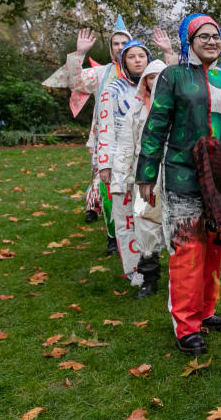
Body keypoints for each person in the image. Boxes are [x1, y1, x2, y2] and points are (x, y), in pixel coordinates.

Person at [136, 14, 221, 355]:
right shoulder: (173, 76)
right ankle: (186, 325)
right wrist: (145, 173)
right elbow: (156, 124)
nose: (211, 41)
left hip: (218, 179)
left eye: (216, 36)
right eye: (203, 36)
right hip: (181, 175)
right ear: (188, 42)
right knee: (187, 251)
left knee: (214, 247)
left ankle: (206, 311)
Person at [42, 16, 175, 251]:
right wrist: (79, 54)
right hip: (106, 142)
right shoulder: (101, 73)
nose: (121, 47)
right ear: (113, 48)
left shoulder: (147, 76)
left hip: (143, 146)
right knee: (109, 191)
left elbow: (171, 80)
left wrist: (168, 52)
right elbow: (76, 81)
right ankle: (115, 235)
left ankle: (147, 243)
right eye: (116, 43)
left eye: (126, 43)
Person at [112, 59, 169, 299]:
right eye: (151, 76)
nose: (155, 81)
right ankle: (149, 277)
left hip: (174, 173)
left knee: (176, 225)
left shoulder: (177, 107)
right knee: (144, 225)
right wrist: (119, 179)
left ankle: (182, 278)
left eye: (160, 77)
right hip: (145, 176)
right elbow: (125, 145)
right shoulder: (135, 111)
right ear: (144, 81)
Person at [100, 39, 151, 287]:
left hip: (149, 161)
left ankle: (151, 263)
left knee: (148, 215)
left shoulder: (158, 88)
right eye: (132, 56)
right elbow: (105, 128)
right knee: (125, 217)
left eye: (142, 55)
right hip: (121, 162)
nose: (138, 60)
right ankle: (134, 269)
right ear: (124, 61)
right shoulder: (113, 89)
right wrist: (105, 165)